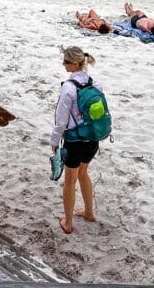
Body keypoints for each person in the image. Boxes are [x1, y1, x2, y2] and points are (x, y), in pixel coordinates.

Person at [53, 46, 99, 235]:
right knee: (84, 173)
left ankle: (68, 222)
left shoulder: (69, 87)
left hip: (75, 140)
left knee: (70, 181)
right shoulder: (95, 83)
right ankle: (89, 212)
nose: (63, 64)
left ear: (74, 63)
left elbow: (61, 120)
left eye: (65, 61)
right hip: (93, 138)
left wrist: (54, 141)